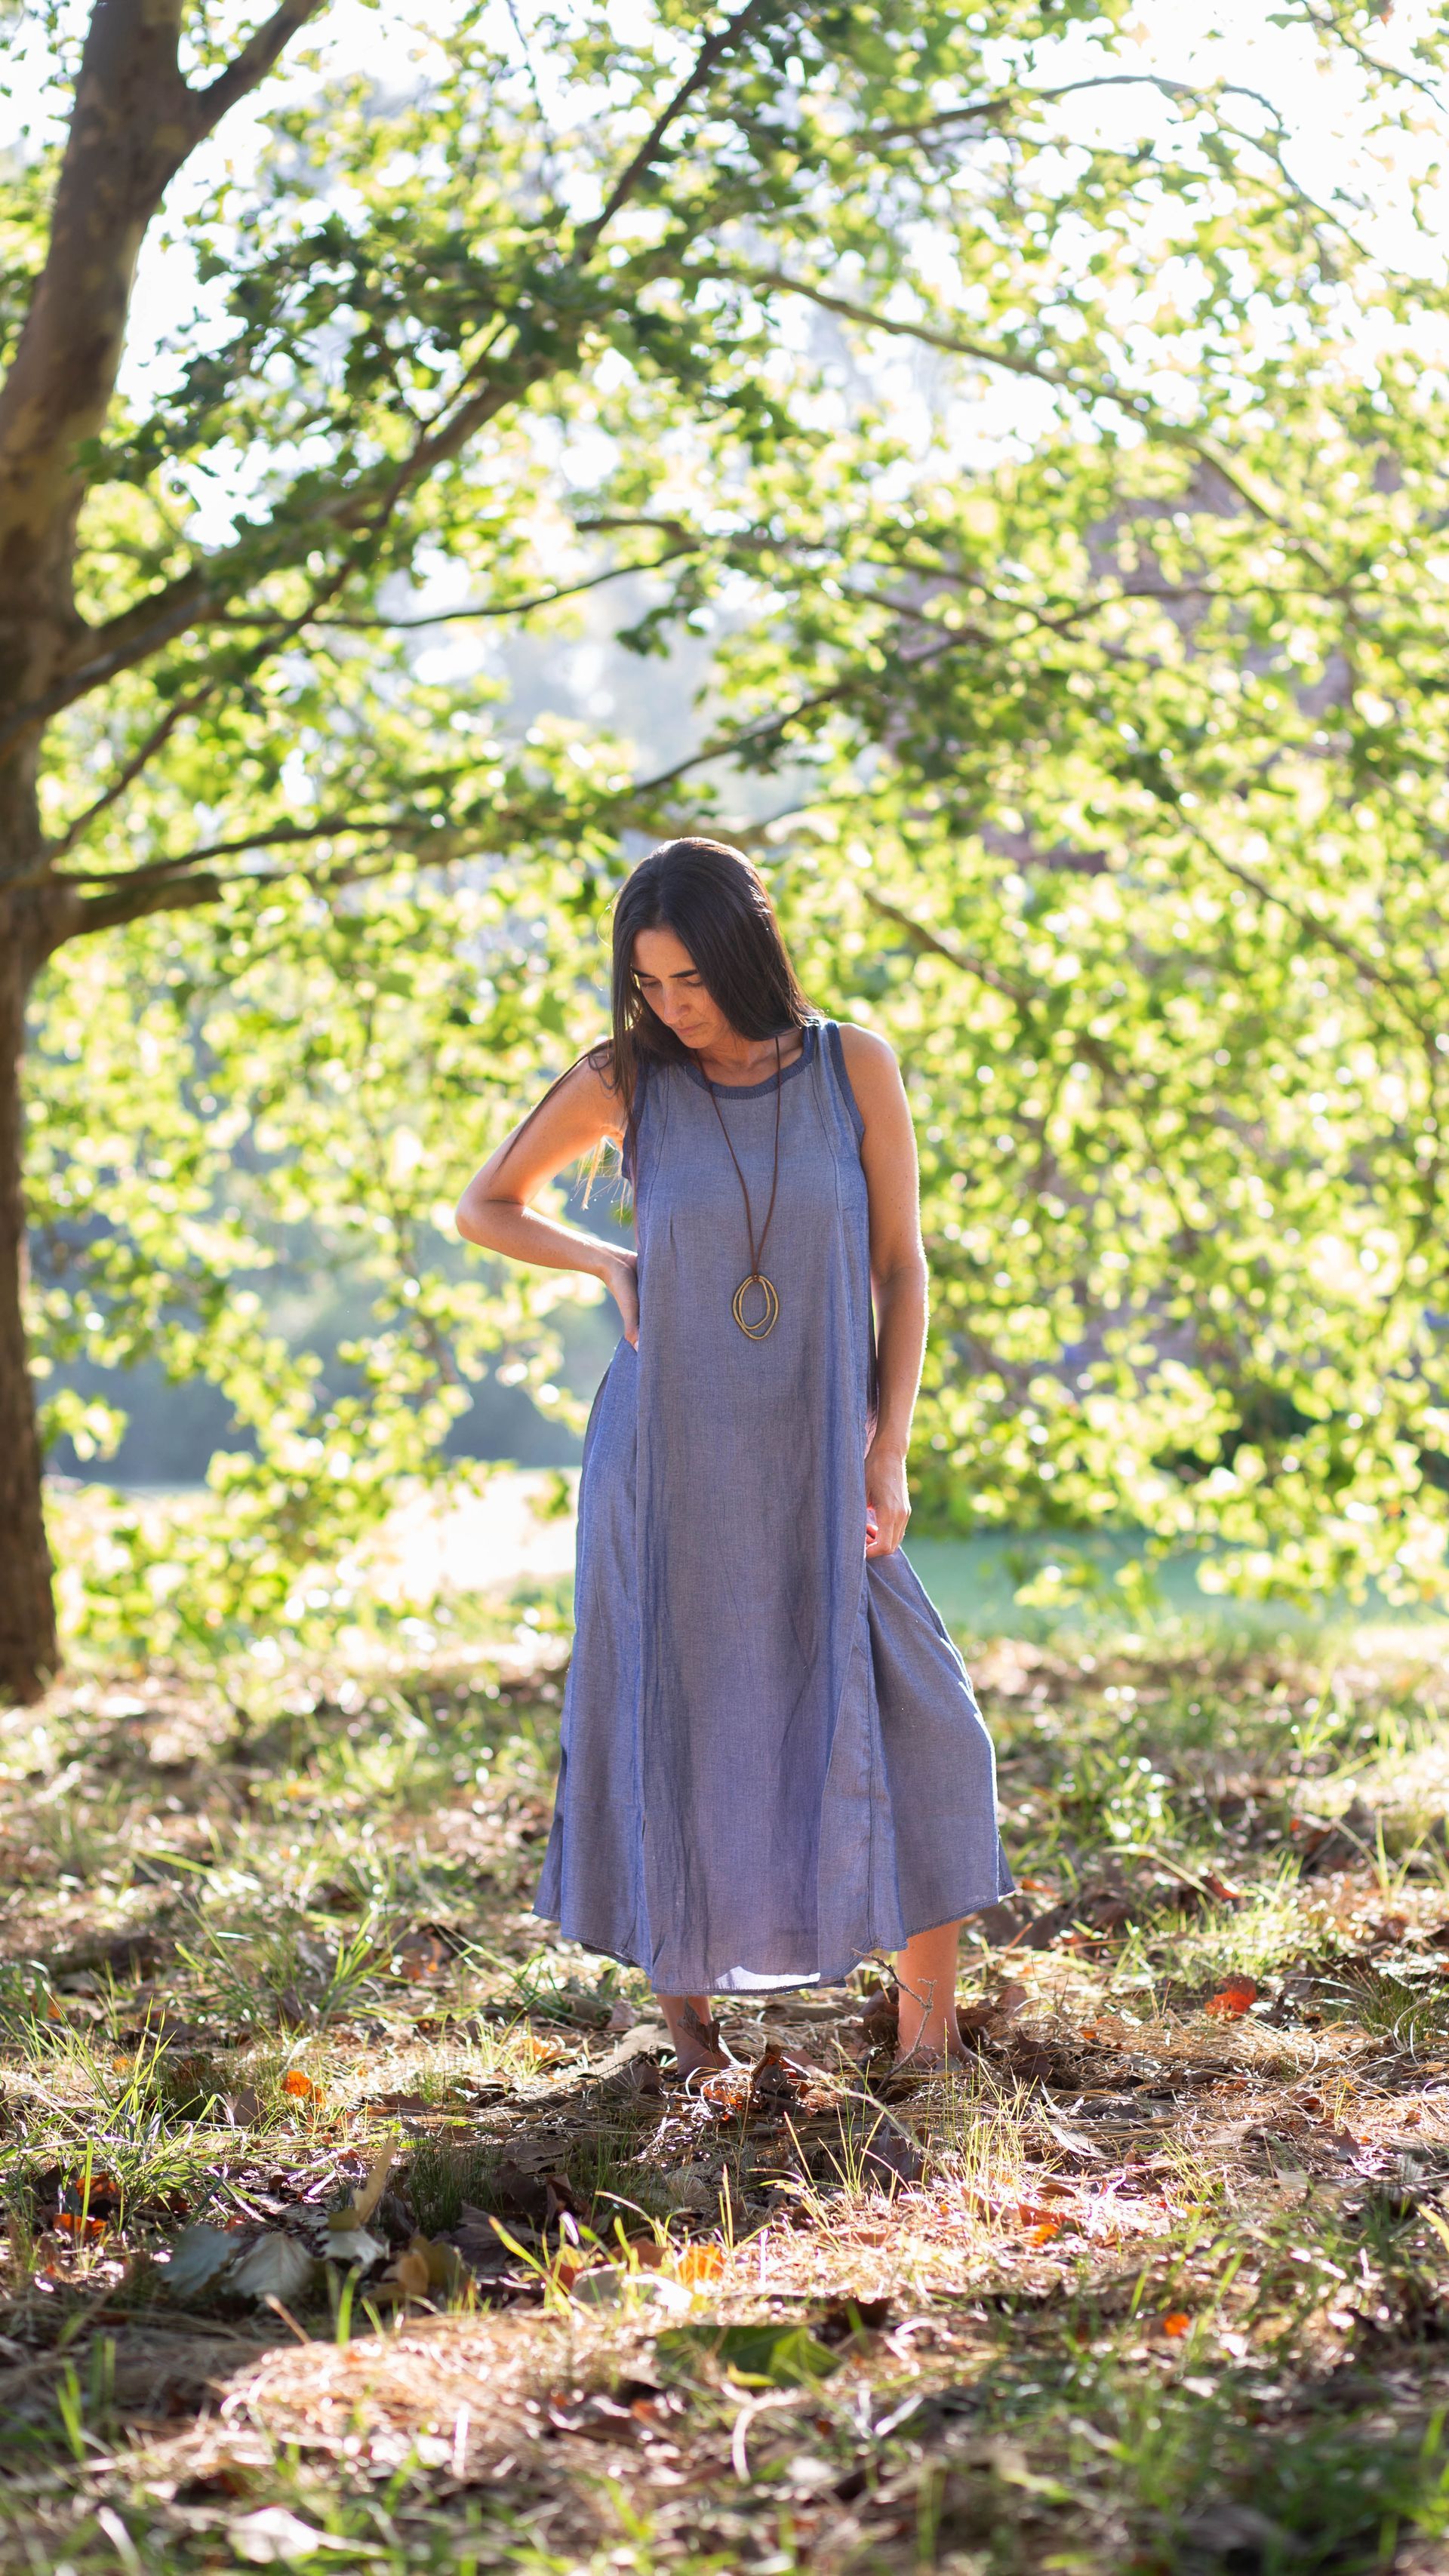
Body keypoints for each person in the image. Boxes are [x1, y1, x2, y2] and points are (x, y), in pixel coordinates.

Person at [456, 838, 1011, 2073]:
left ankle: (925, 2042)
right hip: (667, 1454)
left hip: (821, 1446)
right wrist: (607, 1261)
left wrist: (888, 1449)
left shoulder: (852, 1065)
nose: (672, 1005)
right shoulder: (627, 1077)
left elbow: (903, 1264)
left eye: (692, 979)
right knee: (681, 1710)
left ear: (747, 954)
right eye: (649, 982)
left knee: (930, 1724)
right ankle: (691, 2033)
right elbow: (485, 1203)